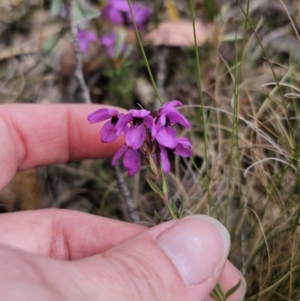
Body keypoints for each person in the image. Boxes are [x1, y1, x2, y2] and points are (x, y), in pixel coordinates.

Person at [0, 104, 245, 300]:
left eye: (140, 122)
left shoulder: (154, 130)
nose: (133, 123)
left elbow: (166, 130)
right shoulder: (131, 133)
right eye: (132, 122)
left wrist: (158, 127)